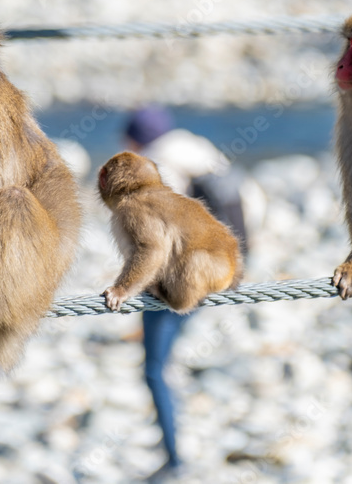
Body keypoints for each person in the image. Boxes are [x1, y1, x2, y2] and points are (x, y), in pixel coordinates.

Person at [122, 106, 249, 481]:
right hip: (227, 271)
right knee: (170, 357)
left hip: (182, 279)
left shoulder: (156, 163)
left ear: (133, 141)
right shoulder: (200, 149)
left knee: (155, 369)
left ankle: (175, 460)